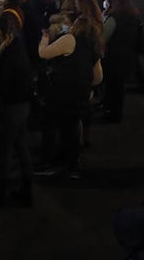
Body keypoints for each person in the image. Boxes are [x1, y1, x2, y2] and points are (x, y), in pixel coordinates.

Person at [37, 14, 102, 179]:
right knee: (73, 129)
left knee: (51, 127)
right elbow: (98, 77)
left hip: (61, 91)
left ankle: (48, 163)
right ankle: (72, 165)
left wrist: (45, 38)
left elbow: (44, 53)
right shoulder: (93, 46)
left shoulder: (70, 40)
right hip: (80, 94)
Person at [0, 12, 35, 207]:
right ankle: (26, 187)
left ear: (0, 32)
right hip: (22, 103)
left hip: (12, 104)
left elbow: (6, 81)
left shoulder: (9, 52)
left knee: (6, 148)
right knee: (20, 145)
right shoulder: (18, 45)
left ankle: (1, 190)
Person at [101, 0, 142, 123]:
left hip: (113, 57)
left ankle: (113, 113)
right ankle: (113, 110)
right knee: (118, 88)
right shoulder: (134, 17)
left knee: (113, 87)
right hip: (128, 56)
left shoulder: (115, 18)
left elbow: (104, 37)